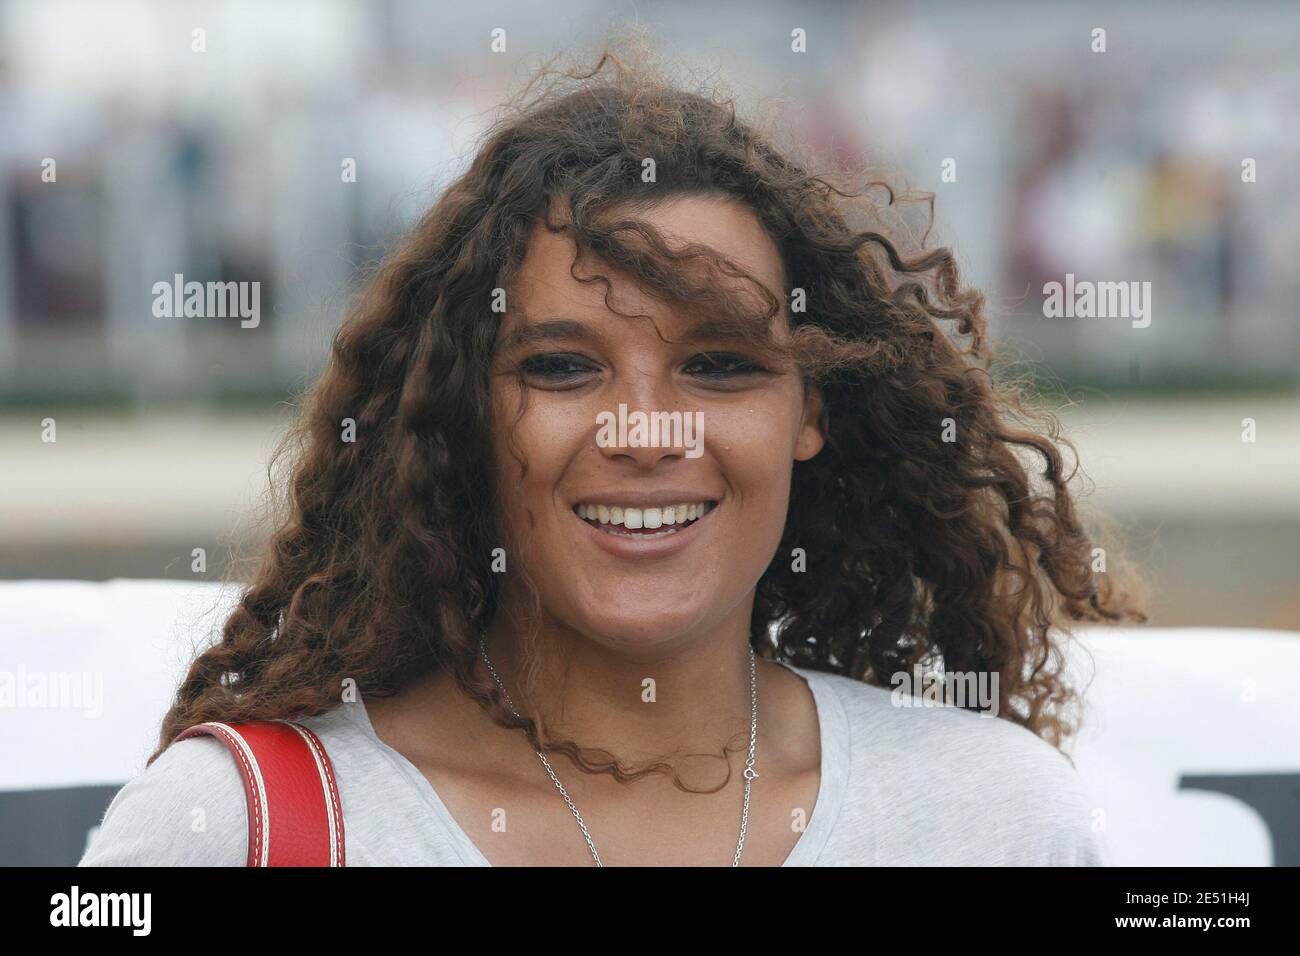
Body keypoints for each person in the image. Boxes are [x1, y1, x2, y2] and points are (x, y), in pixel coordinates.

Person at [81, 47, 1146, 868]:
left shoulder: (996, 819)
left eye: (720, 365)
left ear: (809, 411)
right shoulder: (231, 827)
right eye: (560, 367)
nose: (646, 431)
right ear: (468, 412)